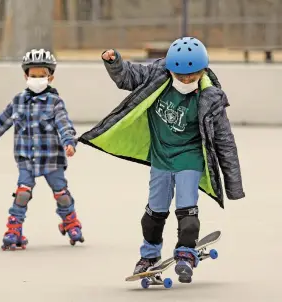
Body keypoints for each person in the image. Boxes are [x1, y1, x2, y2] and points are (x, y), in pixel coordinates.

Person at [78, 37, 245, 282]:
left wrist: (234, 184)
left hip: (190, 157)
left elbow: (225, 142)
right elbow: (129, 77)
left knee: (187, 209)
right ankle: (149, 256)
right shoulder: (157, 76)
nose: (186, 80)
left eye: (193, 75)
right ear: (170, 70)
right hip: (161, 158)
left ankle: (186, 251)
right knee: (154, 214)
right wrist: (115, 63)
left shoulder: (210, 98)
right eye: (180, 75)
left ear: (203, 71)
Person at [0, 49, 84, 250]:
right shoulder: (18, 101)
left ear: (51, 77)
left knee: (62, 193)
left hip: (52, 159)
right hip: (27, 159)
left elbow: (64, 123)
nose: (37, 79)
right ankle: (14, 229)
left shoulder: (55, 102)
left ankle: (71, 222)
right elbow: (0, 122)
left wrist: (69, 142)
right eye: (33, 76)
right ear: (25, 76)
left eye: (42, 76)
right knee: (22, 193)